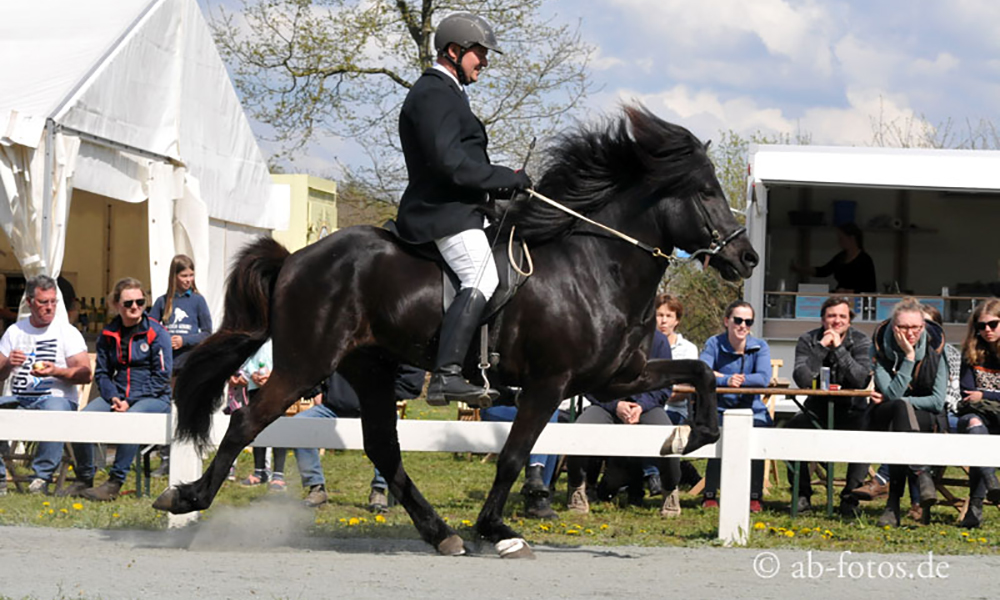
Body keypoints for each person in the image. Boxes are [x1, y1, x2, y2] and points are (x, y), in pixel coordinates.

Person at [395, 12, 532, 406]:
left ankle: (488, 367)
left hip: (460, 208)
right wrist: (505, 177)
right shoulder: (434, 93)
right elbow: (449, 164)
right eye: (480, 54)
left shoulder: (449, 92)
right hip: (440, 211)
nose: (484, 62)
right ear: (454, 51)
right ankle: (446, 375)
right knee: (482, 275)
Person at [67, 278, 172, 501]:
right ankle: (84, 478)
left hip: (154, 397)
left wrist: (130, 400)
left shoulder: (157, 333)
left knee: (131, 419)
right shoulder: (108, 333)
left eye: (140, 302)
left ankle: (115, 483)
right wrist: (114, 397)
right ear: (116, 305)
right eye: (128, 303)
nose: (135, 307)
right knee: (81, 420)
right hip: (118, 395)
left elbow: (162, 376)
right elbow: (103, 374)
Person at [565, 329, 677, 518]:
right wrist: (615, 405)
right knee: (580, 431)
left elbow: (665, 385)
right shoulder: (601, 334)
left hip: (646, 407)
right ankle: (576, 487)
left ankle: (670, 491)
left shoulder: (658, 340)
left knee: (669, 438)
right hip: (607, 405)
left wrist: (641, 406)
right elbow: (588, 382)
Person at [0, 275, 91, 495]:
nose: (49, 308)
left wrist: (56, 371)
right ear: (30, 302)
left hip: (56, 398)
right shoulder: (15, 331)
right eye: (43, 302)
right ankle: (1, 478)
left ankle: (40, 478)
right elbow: (0, 374)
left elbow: (86, 373)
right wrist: (8, 364)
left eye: (53, 302)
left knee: (55, 410)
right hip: (20, 399)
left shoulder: (66, 332)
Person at [783, 296, 872, 517]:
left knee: (866, 435)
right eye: (831, 316)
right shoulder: (808, 340)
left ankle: (850, 498)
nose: (837, 321)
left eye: (842, 316)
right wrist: (821, 348)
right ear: (823, 319)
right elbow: (802, 379)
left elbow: (861, 379)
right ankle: (802, 495)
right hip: (817, 409)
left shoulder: (861, 341)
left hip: (853, 409)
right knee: (790, 433)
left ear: (849, 320)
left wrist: (839, 348)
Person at [293, 365, 426, 509]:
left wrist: (388, 396)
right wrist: (316, 390)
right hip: (332, 408)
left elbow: (410, 373)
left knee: (390, 436)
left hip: (376, 408)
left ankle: (379, 490)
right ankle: (316, 487)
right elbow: (316, 358)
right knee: (300, 425)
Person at [868, 297, 948, 528]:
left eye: (915, 327)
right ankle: (922, 473)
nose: (910, 332)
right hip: (884, 416)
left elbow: (937, 401)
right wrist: (909, 357)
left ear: (923, 327)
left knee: (903, 417)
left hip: (923, 418)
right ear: (894, 326)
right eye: (903, 327)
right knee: (900, 410)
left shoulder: (936, 349)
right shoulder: (882, 349)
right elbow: (891, 396)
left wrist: (902, 399)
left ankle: (892, 505)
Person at [699, 300, 773, 513]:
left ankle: (754, 496)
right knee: (716, 435)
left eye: (748, 321)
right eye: (738, 320)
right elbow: (703, 371)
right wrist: (725, 380)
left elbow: (763, 378)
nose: (743, 326)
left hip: (753, 409)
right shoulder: (714, 343)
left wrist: (728, 377)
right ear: (726, 321)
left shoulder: (760, 346)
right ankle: (710, 493)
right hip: (719, 408)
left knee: (758, 437)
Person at [649, 293, 701, 515]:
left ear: (677, 320)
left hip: (676, 408)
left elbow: (690, 384)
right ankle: (653, 475)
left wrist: (666, 392)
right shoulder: (646, 343)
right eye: (659, 315)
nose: (663, 320)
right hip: (650, 403)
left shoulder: (688, 349)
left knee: (663, 427)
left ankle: (656, 478)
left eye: (668, 316)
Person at [954, 298, 1000, 528]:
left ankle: (975, 508)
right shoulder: (971, 353)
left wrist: (985, 396)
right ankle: (990, 481)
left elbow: (977, 394)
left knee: (977, 434)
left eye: (993, 324)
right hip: (978, 417)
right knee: (973, 424)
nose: (987, 330)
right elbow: (966, 392)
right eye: (981, 326)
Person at [480, 392, 559, 519]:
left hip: (533, 407)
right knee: (548, 414)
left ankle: (536, 483)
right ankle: (537, 495)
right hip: (500, 404)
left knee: (550, 411)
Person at [230, 339, 290, 491]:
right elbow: (247, 358)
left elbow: (290, 357)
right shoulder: (256, 333)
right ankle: (259, 471)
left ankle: (278, 475)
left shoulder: (283, 330)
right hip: (254, 385)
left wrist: (273, 374)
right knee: (256, 426)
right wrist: (252, 374)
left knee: (278, 427)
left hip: (278, 384)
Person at [149, 254, 212, 373]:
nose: (188, 280)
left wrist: (184, 341)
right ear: (174, 276)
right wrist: (165, 340)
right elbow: (149, 330)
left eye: (191, 275)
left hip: (189, 365)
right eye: (184, 276)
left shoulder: (198, 300)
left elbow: (207, 333)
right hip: (165, 365)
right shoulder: (162, 301)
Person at [792, 223, 877, 293]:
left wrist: (849, 291)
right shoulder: (840, 257)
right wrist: (800, 269)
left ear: (851, 238)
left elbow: (870, 288)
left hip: (857, 301)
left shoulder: (865, 260)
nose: (839, 242)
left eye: (841, 238)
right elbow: (823, 271)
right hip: (839, 296)